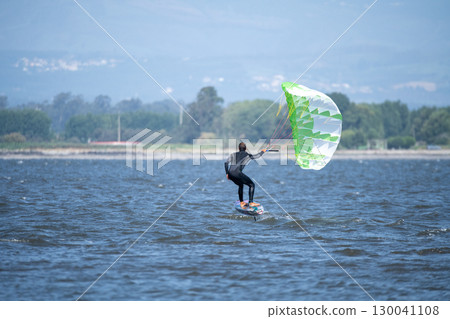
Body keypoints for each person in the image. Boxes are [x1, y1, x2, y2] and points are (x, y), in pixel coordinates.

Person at [224, 142, 266, 209]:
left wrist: (227, 173)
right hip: (237, 173)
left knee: (240, 184)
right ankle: (251, 202)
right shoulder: (247, 155)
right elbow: (257, 156)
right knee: (252, 185)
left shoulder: (233, 154)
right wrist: (262, 151)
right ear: (245, 148)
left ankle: (241, 202)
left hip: (230, 173)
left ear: (238, 148)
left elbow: (226, 163)